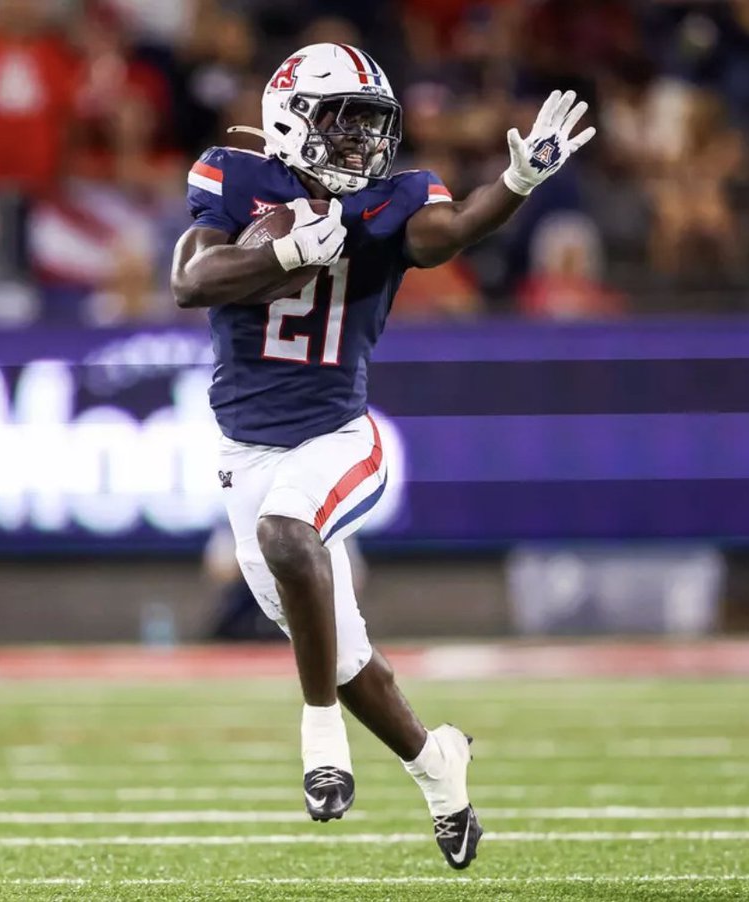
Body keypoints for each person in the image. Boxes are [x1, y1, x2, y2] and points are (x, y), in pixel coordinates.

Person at [170, 42, 594, 869]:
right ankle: (439, 765)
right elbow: (192, 280)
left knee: (288, 537)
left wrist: (519, 182)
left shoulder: (394, 198)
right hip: (245, 448)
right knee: (345, 650)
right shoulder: (235, 175)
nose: (364, 142)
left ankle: (319, 736)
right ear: (294, 121)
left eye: (372, 124)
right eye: (344, 122)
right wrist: (284, 252)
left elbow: (452, 229)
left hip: (339, 436)